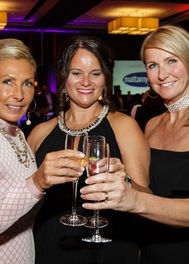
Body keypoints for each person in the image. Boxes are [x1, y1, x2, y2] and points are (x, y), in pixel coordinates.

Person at [81, 25, 189, 264]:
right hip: (151, 252)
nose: (162, 74)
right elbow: (150, 192)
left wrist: (132, 200)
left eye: (171, 61)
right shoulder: (153, 125)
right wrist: (123, 177)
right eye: (153, 65)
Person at [0, 38, 85, 263]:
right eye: (7, 81)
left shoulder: (17, 134)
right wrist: (37, 183)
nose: (19, 94)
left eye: (27, 83)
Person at [28, 35, 150, 264]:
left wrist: (127, 185)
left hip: (107, 246)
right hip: (49, 244)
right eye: (77, 73)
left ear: (105, 78)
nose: (86, 82)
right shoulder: (40, 133)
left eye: (95, 73)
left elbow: (148, 199)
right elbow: (17, 191)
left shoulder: (124, 127)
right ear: (64, 76)